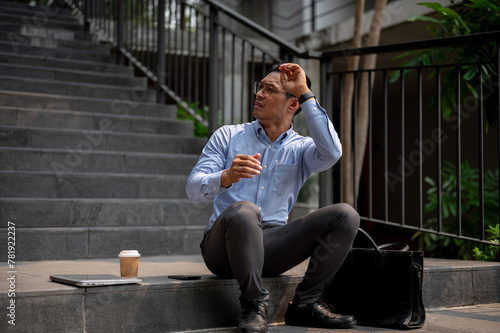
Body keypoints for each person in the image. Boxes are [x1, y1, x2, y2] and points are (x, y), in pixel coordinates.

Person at [186, 62, 359, 332]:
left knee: (345, 215)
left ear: (293, 104)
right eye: (260, 87)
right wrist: (225, 177)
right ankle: (254, 305)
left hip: (273, 245)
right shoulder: (228, 135)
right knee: (245, 211)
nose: (259, 94)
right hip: (223, 247)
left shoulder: (301, 148)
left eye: (270, 89)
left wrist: (304, 91)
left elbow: (332, 153)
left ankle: (304, 305)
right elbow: (193, 187)